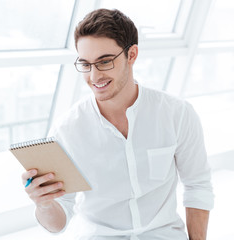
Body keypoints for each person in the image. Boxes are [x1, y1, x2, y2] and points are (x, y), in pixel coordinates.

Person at [21, 8, 214, 240]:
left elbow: (197, 186)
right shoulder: (67, 130)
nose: (94, 76)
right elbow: (58, 224)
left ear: (131, 55)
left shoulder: (177, 114)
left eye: (104, 62)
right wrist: (43, 204)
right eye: (86, 64)